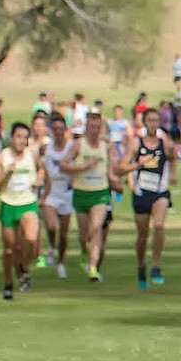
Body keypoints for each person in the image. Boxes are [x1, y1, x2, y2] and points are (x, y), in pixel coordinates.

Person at [119, 107, 178, 289]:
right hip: (141, 193)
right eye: (150, 120)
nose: (153, 124)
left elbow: (172, 157)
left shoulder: (164, 142)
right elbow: (120, 167)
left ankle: (155, 266)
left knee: (159, 226)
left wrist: (172, 174)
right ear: (144, 123)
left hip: (159, 192)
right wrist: (137, 164)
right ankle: (141, 265)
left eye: (156, 120)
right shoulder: (136, 144)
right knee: (143, 235)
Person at [0, 122, 45, 299]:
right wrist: (7, 173)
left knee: (30, 238)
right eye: (18, 137)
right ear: (11, 138)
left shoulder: (31, 154)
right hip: (8, 204)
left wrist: (38, 179)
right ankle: (8, 283)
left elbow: (41, 170)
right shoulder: (2, 156)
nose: (21, 141)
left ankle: (24, 267)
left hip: (28, 203)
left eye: (24, 137)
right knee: (9, 249)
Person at [60, 111, 115, 281]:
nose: (95, 130)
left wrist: (117, 181)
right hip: (81, 193)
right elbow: (63, 166)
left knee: (96, 228)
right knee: (84, 234)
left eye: (98, 127)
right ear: (86, 127)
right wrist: (82, 167)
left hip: (100, 193)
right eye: (92, 127)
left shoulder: (107, 145)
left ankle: (92, 267)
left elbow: (113, 169)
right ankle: (84, 250)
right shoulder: (78, 145)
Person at [40, 113, 74, 279]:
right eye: (55, 129)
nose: (58, 132)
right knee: (52, 226)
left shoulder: (72, 147)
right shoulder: (47, 148)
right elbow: (43, 168)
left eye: (61, 129)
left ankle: (60, 262)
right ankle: (52, 246)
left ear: (65, 130)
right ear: (52, 131)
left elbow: (77, 167)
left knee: (64, 234)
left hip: (66, 193)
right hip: (51, 192)